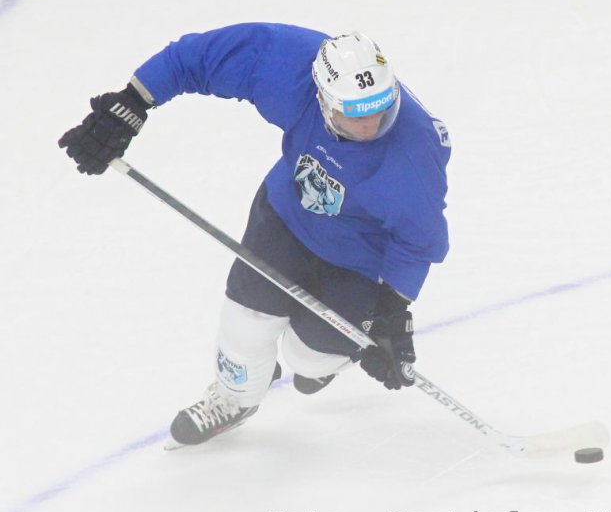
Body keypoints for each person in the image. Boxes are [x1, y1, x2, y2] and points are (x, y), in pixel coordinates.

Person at [58, 23, 451, 447]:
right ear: (322, 98)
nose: (371, 125)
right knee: (245, 326)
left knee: (310, 358)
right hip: (285, 217)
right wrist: (133, 102)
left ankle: (322, 365)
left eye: (381, 109)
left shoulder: (414, 156)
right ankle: (235, 398)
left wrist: (391, 310)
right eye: (355, 115)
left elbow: (418, 240)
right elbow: (199, 57)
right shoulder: (291, 66)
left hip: (357, 256)